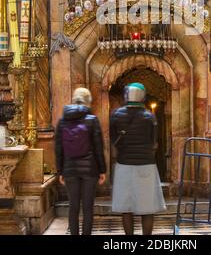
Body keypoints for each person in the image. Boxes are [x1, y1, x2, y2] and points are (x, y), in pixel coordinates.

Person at [110, 82, 166, 235]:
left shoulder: (116, 115)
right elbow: (154, 142)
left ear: (126, 95)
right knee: (147, 208)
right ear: (142, 96)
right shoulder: (150, 116)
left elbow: (113, 139)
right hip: (146, 166)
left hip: (124, 165)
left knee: (126, 208)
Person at [55, 87, 106, 235]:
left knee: (73, 206)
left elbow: (59, 149)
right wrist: (102, 170)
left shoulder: (62, 121)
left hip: (70, 169)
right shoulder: (92, 120)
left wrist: (60, 171)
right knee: (88, 207)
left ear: (74, 99)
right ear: (88, 101)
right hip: (90, 170)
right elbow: (98, 147)